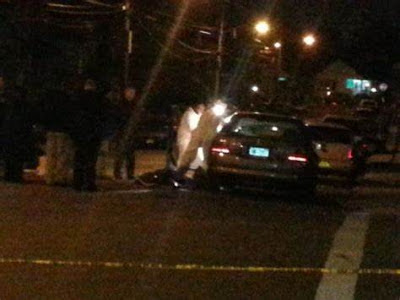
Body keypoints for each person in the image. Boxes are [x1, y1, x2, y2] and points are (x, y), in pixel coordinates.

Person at [69, 79, 105, 191]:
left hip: (80, 133)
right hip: (93, 134)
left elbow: (72, 116)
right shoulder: (99, 99)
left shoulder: (77, 98)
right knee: (91, 160)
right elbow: (103, 117)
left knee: (79, 159)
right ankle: (90, 183)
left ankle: (77, 183)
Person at [1, 84, 35, 183]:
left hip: (15, 133)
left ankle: (12, 175)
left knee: (14, 156)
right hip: (15, 133)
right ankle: (12, 175)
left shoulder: (12, 106)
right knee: (14, 156)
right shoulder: (14, 106)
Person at [112, 86, 137, 180]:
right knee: (121, 154)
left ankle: (130, 174)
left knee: (130, 155)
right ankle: (117, 173)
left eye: (133, 93)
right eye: (130, 93)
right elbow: (117, 119)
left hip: (131, 133)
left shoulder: (135, 105)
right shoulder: (121, 105)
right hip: (122, 133)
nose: (131, 95)